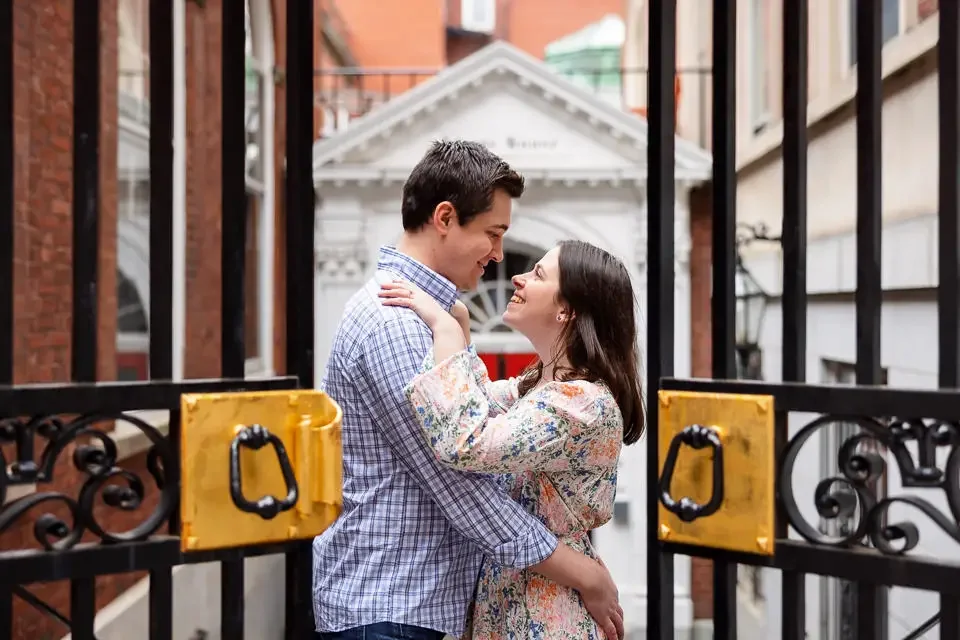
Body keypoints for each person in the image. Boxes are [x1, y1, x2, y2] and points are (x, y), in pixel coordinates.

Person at [313, 140, 623, 640]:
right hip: (392, 608)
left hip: (413, 607)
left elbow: (476, 422)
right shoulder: (398, 324)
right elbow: (462, 486)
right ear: (444, 217)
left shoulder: (429, 320)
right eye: (492, 233)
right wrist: (584, 573)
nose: (501, 256)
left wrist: (456, 335)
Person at [379, 239, 644, 639]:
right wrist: (462, 323)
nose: (517, 277)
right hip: (516, 598)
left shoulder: (580, 405)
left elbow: (466, 441)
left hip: (546, 611)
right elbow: (478, 402)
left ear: (566, 311)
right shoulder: (538, 387)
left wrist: (445, 328)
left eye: (538, 274)